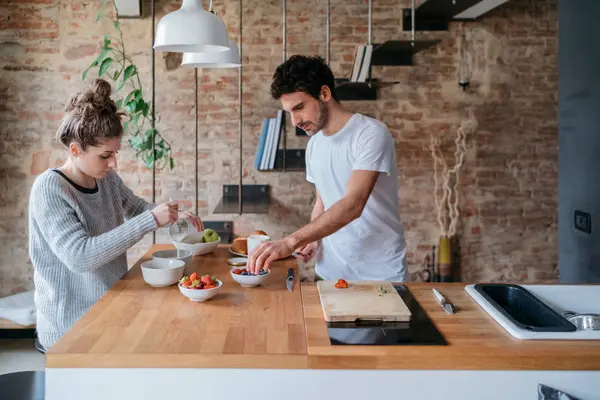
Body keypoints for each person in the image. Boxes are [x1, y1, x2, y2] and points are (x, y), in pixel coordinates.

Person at [28, 79, 203, 352]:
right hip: (69, 331)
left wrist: (171, 215)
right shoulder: (50, 189)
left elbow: (136, 208)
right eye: (105, 155)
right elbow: (80, 257)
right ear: (75, 150)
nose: (113, 163)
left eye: (115, 154)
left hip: (109, 310)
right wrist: (151, 220)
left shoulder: (106, 179)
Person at [246, 55, 408, 282]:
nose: (295, 121)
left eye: (299, 107)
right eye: (289, 112)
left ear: (324, 94)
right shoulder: (314, 144)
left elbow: (353, 204)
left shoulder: (370, 134)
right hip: (329, 272)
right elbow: (323, 201)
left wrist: (291, 241)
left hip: (380, 274)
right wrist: (313, 239)